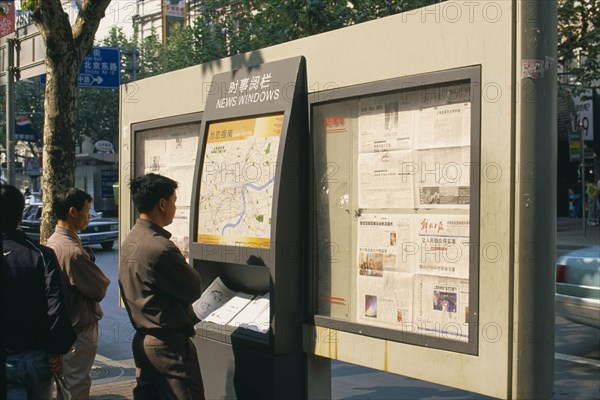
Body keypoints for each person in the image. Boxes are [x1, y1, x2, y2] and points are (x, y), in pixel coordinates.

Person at [119, 173, 204, 399]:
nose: (175, 208)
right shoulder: (160, 247)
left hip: (144, 340)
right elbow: (193, 287)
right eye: (174, 201)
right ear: (162, 204)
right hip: (168, 345)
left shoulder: (132, 239)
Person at [2, 184, 76, 398]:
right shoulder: (41, 255)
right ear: (20, 215)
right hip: (38, 356)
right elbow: (57, 306)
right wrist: (57, 349)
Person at [46, 188, 111, 399]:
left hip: (64, 328)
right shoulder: (72, 252)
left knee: (65, 386)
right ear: (73, 212)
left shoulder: (53, 242)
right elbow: (99, 287)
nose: (89, 216)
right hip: (78, 330)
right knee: (77, 386)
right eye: (87, 210)